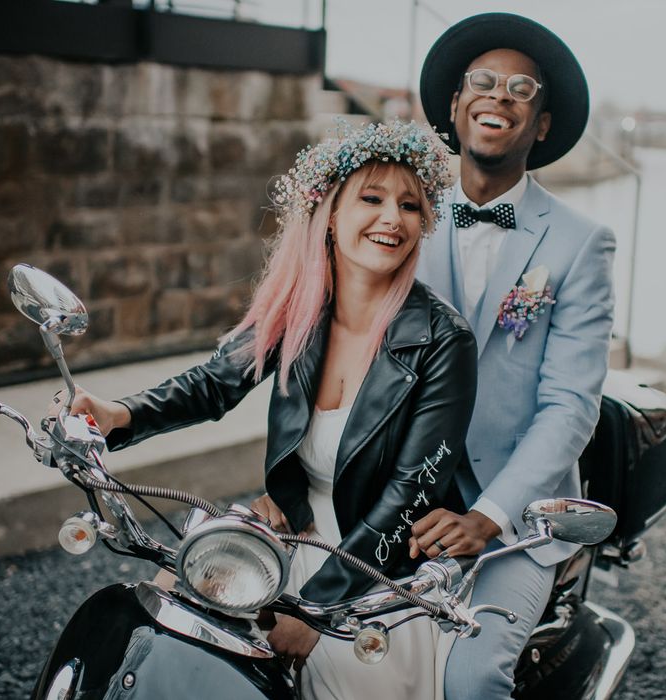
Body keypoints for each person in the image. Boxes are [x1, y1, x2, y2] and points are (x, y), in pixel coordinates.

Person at [52, 120, 478, 699]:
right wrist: (117, 414)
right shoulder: (301, 308)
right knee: (168, 632)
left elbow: (409, 495)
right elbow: (213, 384)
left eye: (410, 205)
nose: (393, 218)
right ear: (329, 213)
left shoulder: (443, 339)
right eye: (371, 198)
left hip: (379, 570)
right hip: (293, 532)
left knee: (339, 680)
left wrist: (320, 608)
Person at [409, 13, 616, 700]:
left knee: (469, 678)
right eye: (484, 82)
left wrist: (487, 516)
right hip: (400, 497)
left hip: (518, 521)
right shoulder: (401, 219)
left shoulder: (581, 242)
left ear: (543, 123)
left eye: (521, 88)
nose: (499, 95)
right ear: (455, 104)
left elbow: (570, 407)